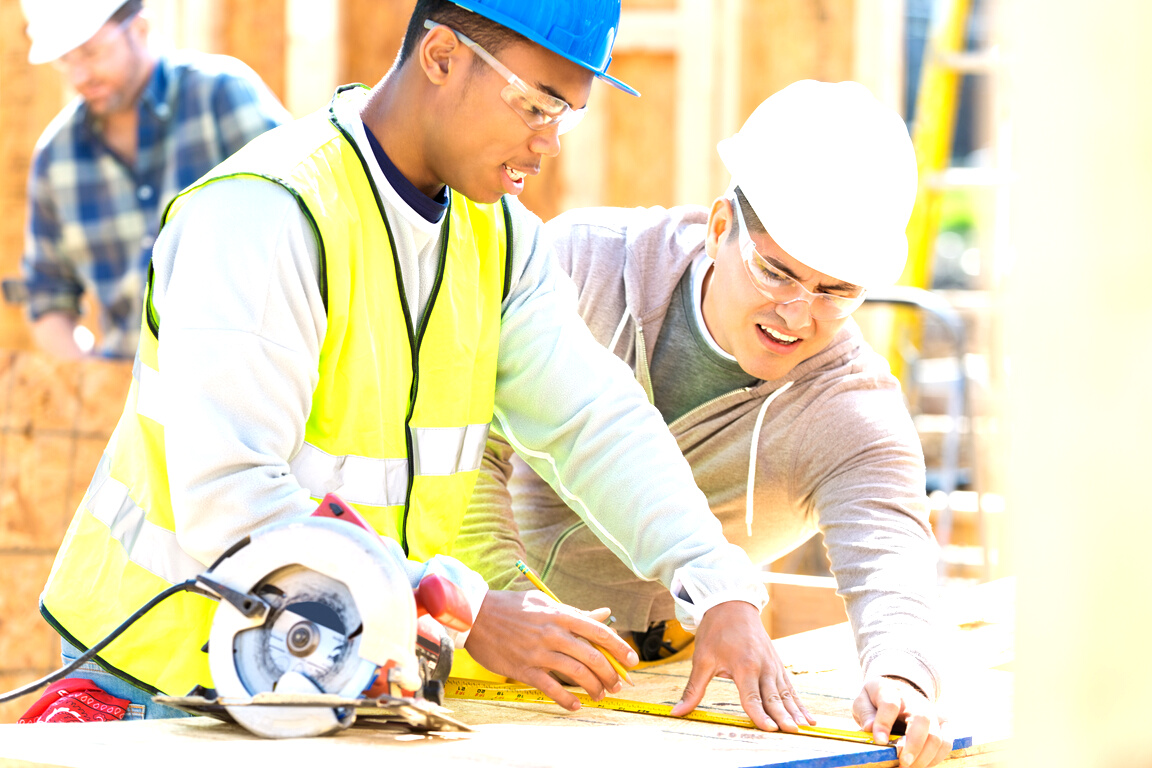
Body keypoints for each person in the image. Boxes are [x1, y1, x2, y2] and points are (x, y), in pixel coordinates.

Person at [37, 0, 810, 733]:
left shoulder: (498, 238)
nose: (551, 142)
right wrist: (463, 608)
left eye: (569, 116)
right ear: (442, 55)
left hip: (327, 676)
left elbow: (593, 420)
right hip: (157, 685)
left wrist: (718, 586)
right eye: (538, 106)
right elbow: (231, 502)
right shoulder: (267, 215)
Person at [457, 80, 954, 767]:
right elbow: (465, 441)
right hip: (482, 632)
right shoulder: (581, 265)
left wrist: (902, 672)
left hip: (679, 668)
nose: (797, 314)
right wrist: (497, 600)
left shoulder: (851, 413)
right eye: (776, 273)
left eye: (836, 292)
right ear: (721, 227)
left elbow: (892, 556)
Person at [18, 0, 289, 359]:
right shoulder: (56, 156)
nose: (80, 76)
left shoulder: (221, 96)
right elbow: (47, 294)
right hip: (127, 395)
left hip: (249, 381)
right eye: (66, 61)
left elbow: (304, 222)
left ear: (140, 29)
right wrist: (94, 384)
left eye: (91, 53)